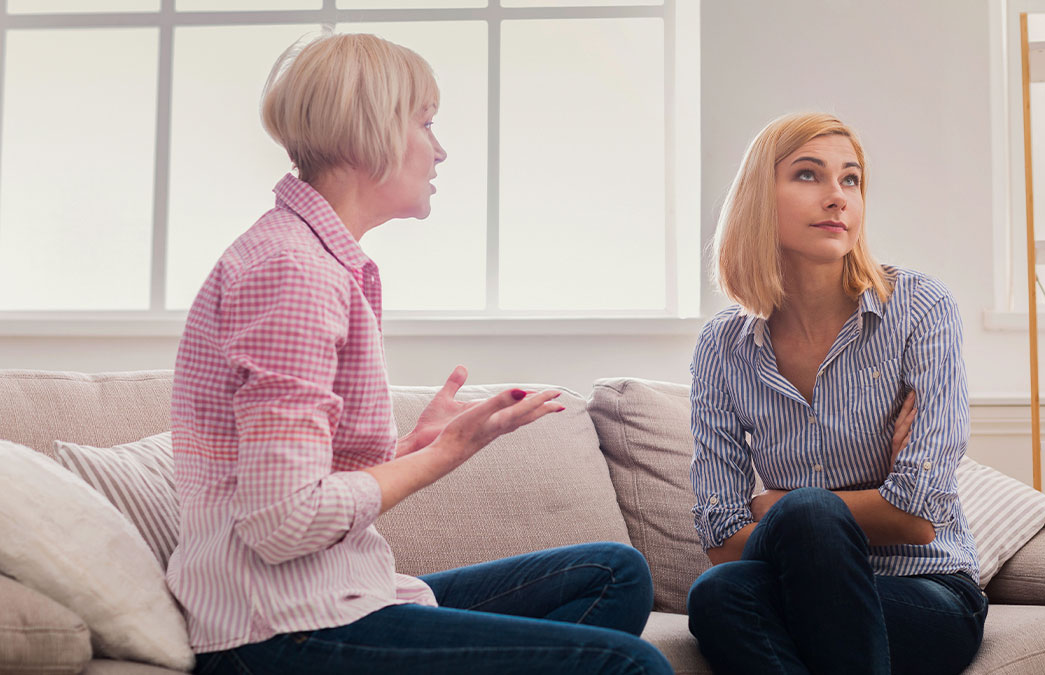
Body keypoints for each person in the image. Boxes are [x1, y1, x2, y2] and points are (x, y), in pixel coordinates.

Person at [168, 32, 672, 675]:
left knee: (612, 573)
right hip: (277, 632)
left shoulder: (317, 259)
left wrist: (415, 447)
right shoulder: (292, 272)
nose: (440, 149)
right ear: (367, 132)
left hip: (331, 597)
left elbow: (300, 483)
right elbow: (283, 523)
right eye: (426, 123)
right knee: (630, 666)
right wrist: (445, 454)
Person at [686, 112, 987, 674]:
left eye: (850, 180)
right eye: (808, 175)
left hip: (923, 592)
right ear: (758, 198)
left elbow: (918, 518)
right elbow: (720, 539)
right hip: (794, 585)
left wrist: (774, 504)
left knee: (807, 511)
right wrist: (841, 509)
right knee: (718, 593)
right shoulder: (723, 346)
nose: (836, 197)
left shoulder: (919, 307)